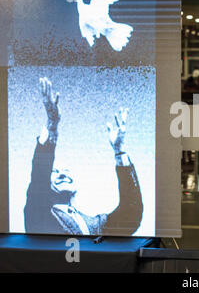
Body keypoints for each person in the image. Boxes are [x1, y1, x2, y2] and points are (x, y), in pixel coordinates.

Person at [23, 77, 143, 236]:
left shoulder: (96, 224)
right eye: (55, 171)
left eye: (66, 171)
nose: (63, 174)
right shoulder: (37, 212)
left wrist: (120, 152)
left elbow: (131, 214)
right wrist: (52, 124)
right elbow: (39, 177)